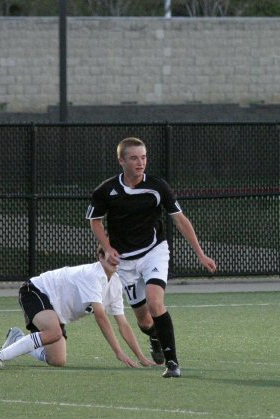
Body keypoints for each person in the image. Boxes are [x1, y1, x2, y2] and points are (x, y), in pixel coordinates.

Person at [87, 137, 217, 378]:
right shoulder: (106, 191)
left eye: (143, 157)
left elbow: (180, 219)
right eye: (134, 158)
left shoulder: (157, 187)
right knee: (145, 322)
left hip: (153, 252)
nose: (140, 163)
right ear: (121, 161)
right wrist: (107, 247)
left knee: (156, 303)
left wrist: (200, 254)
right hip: (124, 262)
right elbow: (94, 221)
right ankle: (156, 337)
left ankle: (172, 363)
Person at [0, 246, 155, 369]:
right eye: (110, 254)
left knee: (57, 360)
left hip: (57, 310)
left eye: (119, 255)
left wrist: (141, 358)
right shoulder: (93, 275)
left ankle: (17, 339)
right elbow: (100, 316)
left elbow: (122, 323)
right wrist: (119, 353)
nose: (115, 259)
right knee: (53, 332)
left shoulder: (115, 283)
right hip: (36, 290)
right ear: (100, 257)